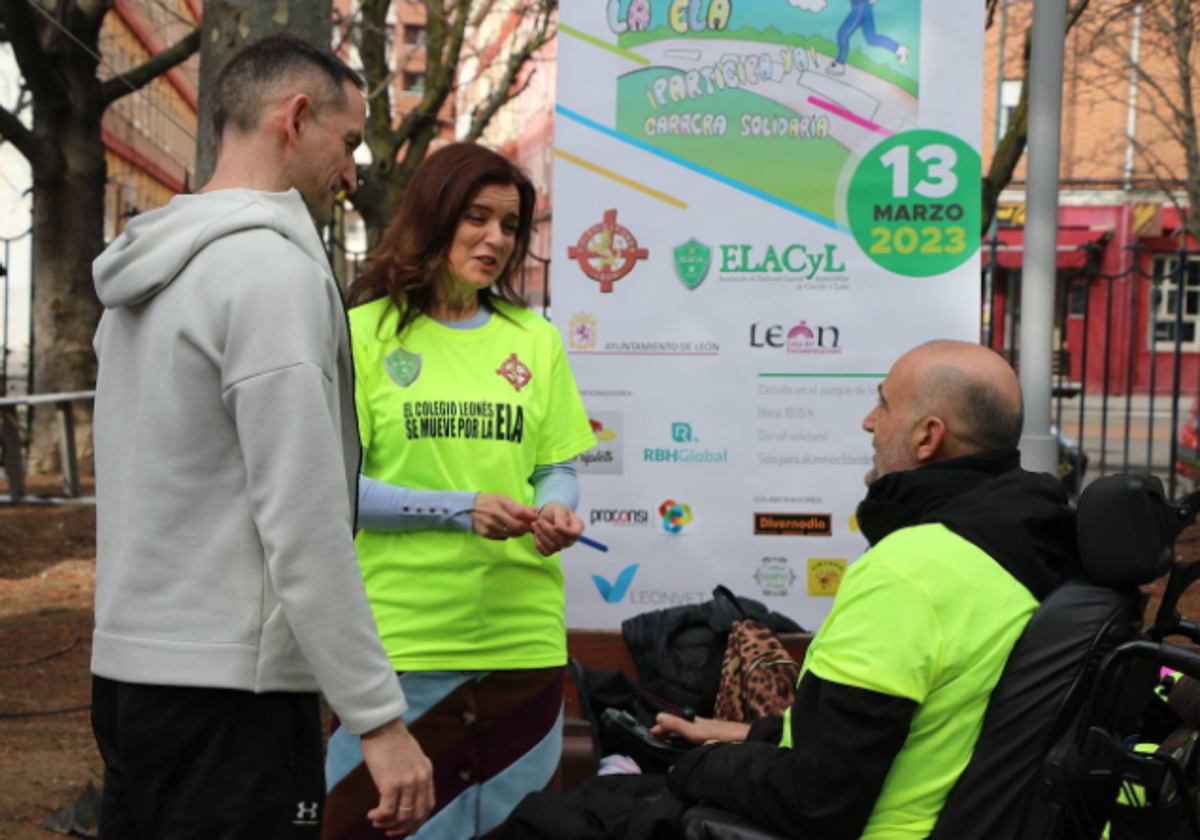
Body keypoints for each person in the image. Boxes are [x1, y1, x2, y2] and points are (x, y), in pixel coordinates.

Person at [505, 340, 1078, 840]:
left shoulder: (912, 571)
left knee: (546, 821)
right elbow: (907, 730)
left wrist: (699, 765)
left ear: (928, 437)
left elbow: (817, 797)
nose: (868, 422)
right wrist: (744, 732)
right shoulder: (1027, 545)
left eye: (883, 403)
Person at [90, 34, 432, 839]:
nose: (354, 170)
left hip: (130, 673)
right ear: (296, 117)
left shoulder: (148, 271)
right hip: (230, 691)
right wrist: (379, 720)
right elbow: (302, 518)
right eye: (349, 141)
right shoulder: (269, 274)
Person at [322, 143, 597, 839]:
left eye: (510, 225)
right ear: (433, 216)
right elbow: (330, 490)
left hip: (522, 645)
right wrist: (457, 510)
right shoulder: (361, 334)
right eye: (477, 217)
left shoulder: (535, 340)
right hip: (400, 646)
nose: (497, 240)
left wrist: (559, 504)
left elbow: (554, 465)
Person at [827, 0, 909, 77]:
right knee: (872, 39)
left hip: (860, 7)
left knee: (842, 34)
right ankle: (899, 48)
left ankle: (840, 63)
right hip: (864, 6)